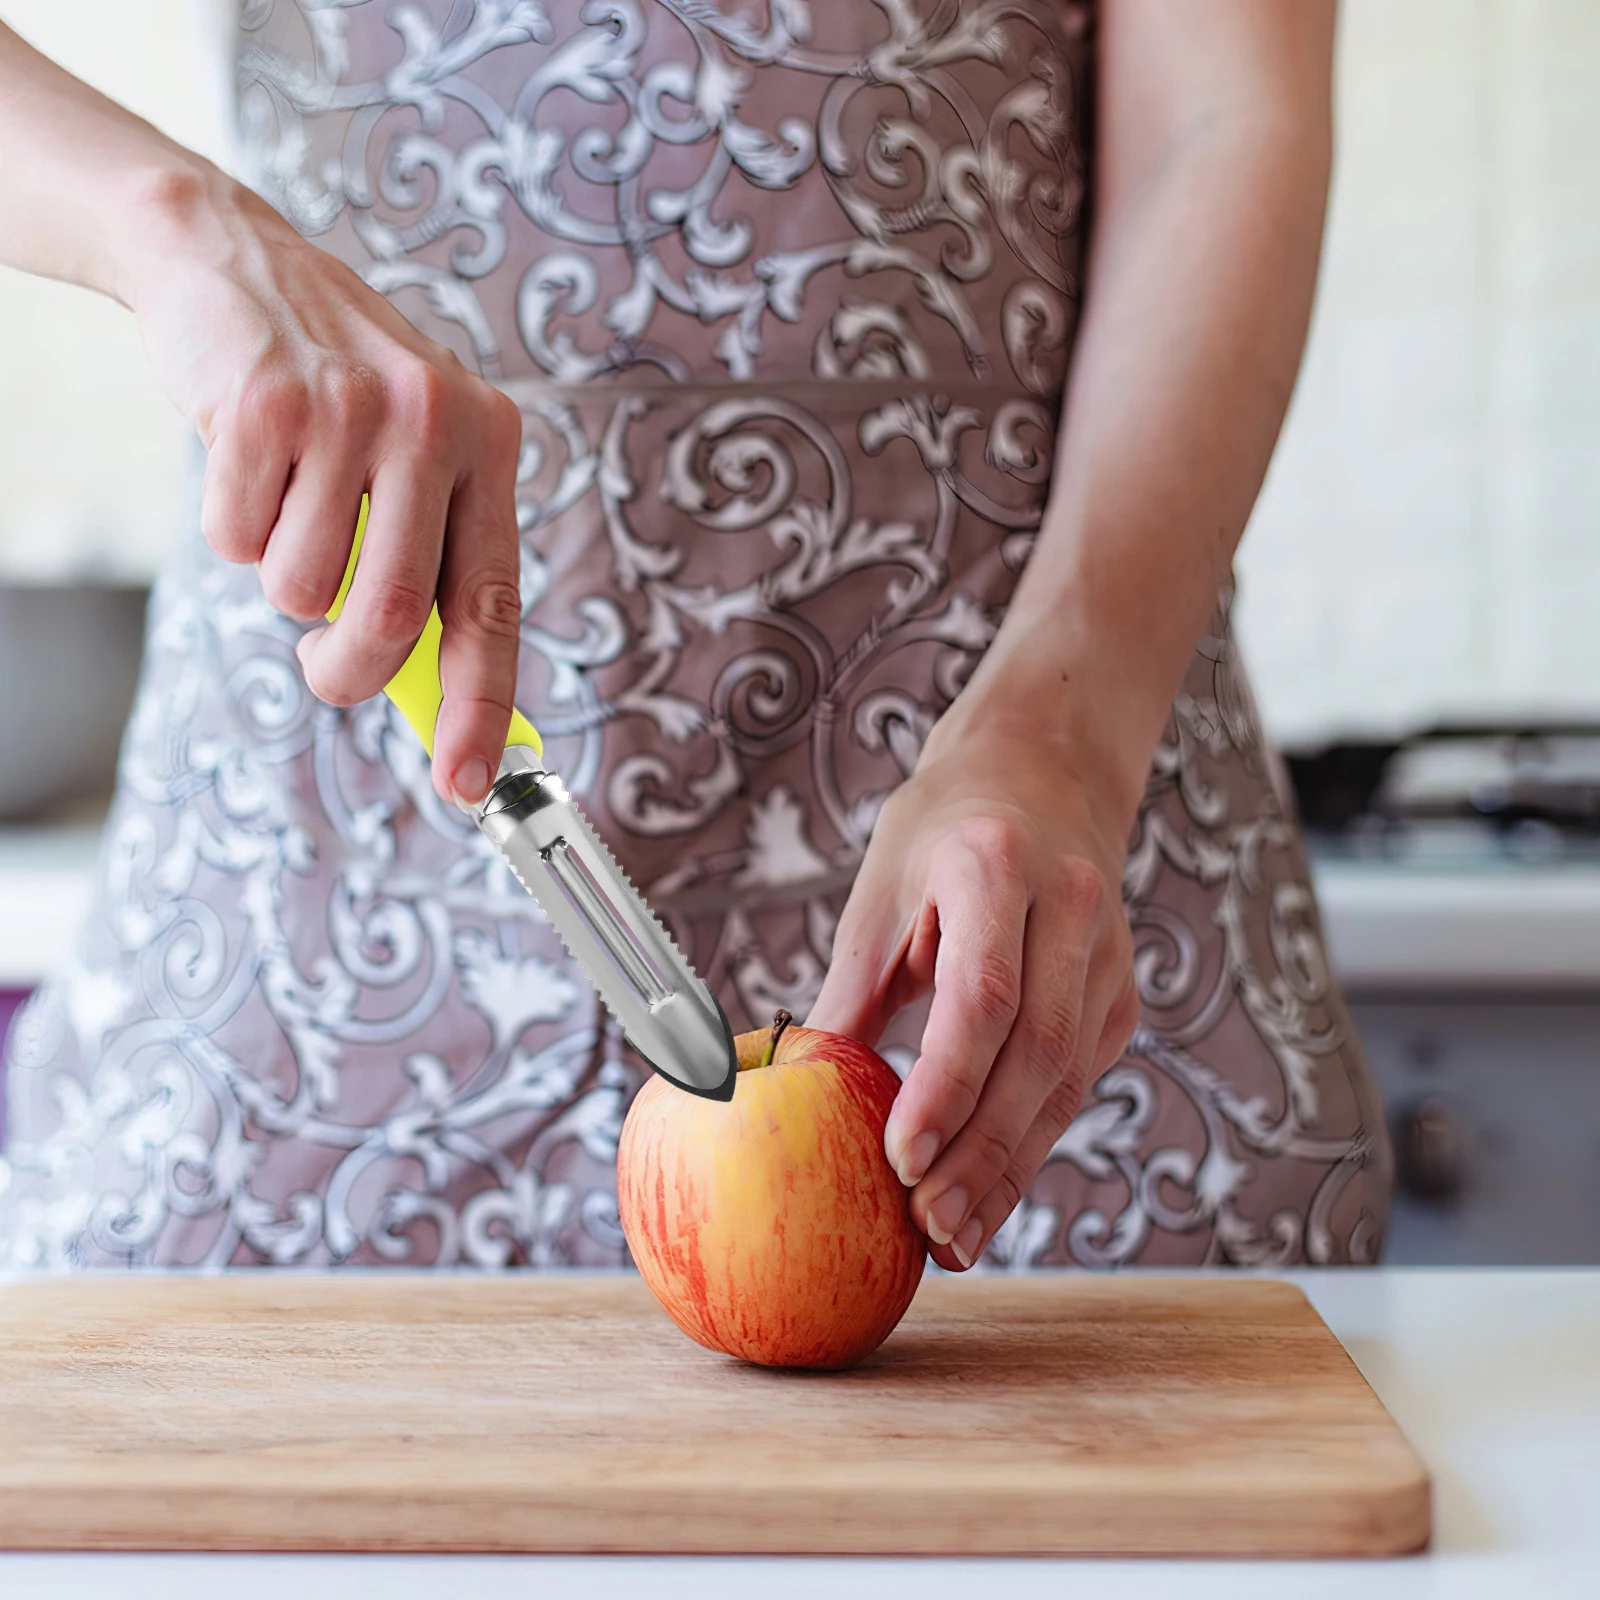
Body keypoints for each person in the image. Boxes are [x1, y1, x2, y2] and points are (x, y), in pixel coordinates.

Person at [0, 0, 1388, 1271]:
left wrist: (1063, 737)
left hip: (1025, 861)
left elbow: (1221, 119)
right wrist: (162, 216)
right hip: (321, 893)